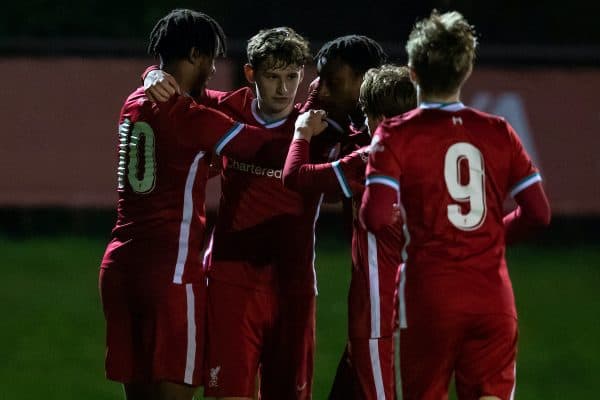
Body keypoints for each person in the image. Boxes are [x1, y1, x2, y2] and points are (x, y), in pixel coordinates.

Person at [99, 11, 327, 400]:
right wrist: (304, 131)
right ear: (194, 54)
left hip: (119, 266)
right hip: (171, 273)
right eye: (209, 58)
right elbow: (266, 145)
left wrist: (150, 75)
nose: (212, 69)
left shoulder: (135, 100)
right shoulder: (192, 116)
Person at [360, 10, 551, 400]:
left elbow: (375, 216)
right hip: (492, 297)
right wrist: (491, 236)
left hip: (429, 295)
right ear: (466, 70)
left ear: (413, 71)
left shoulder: (396, 133)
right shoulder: (497, 130)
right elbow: (539, 214)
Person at [283, 65, 417, 400]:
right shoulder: (437, 158)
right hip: (427, 312)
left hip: (376, 317)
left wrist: (301, 133)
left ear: (379, 117)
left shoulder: (370, 160)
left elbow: (296, 177)